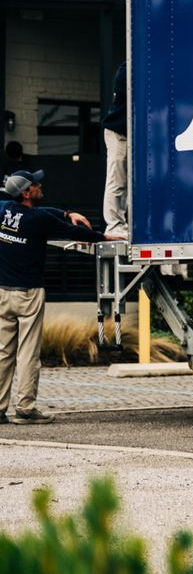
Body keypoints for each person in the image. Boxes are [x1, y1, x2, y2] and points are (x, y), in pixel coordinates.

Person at [0, 168, 103, 424]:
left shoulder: (2, 209)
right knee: (28, 353)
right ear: (27, 192)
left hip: (2, 293)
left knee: (3, 352)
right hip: (28, 293)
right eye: (36, 184)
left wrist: (67, 213)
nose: (40, 185)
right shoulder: (38, 220)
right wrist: (103, 237)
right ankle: (25, 408)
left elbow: (43, 213)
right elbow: (75, 233)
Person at [102, 62, 128, 240]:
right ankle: (114, 226)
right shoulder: (127, 69)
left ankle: (121, 224)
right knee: (117, 179)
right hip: (119, 132)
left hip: (130, 133)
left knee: (125, 182)